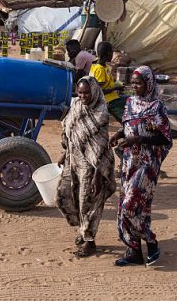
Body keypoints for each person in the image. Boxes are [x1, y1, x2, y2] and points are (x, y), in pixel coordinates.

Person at [110, 66, 172, 267]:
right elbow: (128, 125)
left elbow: (164, 137)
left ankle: (151, 241)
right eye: (133, 83)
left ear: (149, 83)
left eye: (139, 83)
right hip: (129, 163)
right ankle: (134, 252)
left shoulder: (156, 107)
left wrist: (136, 139)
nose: (134, 86)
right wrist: (119, 135)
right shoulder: (129, 103)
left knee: (130, 206)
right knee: (136, 209)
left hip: (147, 164)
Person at [56, 77, 116, 258]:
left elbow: (101, 147)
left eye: (86, 93)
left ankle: (90, 241)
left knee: (87, 203)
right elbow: (69, 129)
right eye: (80, 92)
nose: (83, 96)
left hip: (91, 166)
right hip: (73, 160)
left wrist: (99, 174)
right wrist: (64, 152)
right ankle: (83, 231)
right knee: (65, 196)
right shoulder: (75, 105)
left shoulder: (100, 113)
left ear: (95, 92)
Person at [90, 42, 126, 122]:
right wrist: (116, 88)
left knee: (129, 99)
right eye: (112, 53)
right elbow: (99, 91)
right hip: (107, 100)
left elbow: (109, 80)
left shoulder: (101, 66)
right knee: (126, 117)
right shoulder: (100, 69)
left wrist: (119, 83)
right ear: (108, 54)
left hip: (111, 97)